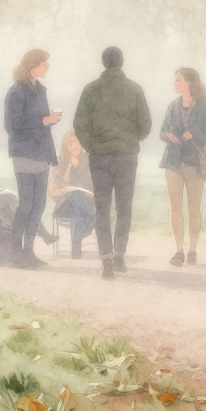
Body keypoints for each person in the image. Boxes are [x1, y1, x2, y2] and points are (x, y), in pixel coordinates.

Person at [73, 46, 152, 279]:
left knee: (102, 208)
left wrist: (91, 145)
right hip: (127, 156)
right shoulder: (134, 89)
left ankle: (106, 258)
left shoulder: (90, 90)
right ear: (122, 62)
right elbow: (145, 125)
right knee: (124, 207)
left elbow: (79, 124)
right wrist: (131, 140)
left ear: (103, 63)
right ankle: (119, 255)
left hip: (100, 156)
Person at [4, 49, 60, 269]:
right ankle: (17, 253)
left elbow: (41, 124)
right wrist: (44, 121)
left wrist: (48, 121)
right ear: (33, 65)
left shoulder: (40, 89)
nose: (47, 67)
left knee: (39, 205)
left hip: (41, 154)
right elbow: (12, 127)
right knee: (26, 205)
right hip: (24, 154)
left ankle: (29, 251)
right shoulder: (17, 91)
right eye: (44, 63)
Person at [160, 67, 206, 267]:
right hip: (173, 162)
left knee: (194, 208)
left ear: (190, 82)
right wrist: (168, 136)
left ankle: (192, 249)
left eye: (179, 80)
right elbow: (162, 131)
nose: (175, 83)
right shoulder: (173, 106)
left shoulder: (205, 107)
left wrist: (194, 135)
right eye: (175, 80)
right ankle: (179, 250)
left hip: (195, 164)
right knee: (175, 208)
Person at [49, 130, 95, 259]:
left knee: (77, 212)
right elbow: (61, 186)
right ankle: (93, 218)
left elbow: (91, 186)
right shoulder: (59, 163)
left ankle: (75, 247)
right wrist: (70, 166)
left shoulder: (88, 162)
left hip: (82, 205)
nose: (75, 146)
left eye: (78, 143)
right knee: (74, 196)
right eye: (71, 144)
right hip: (64, 206)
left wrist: (79, 167)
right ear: (66, 147)